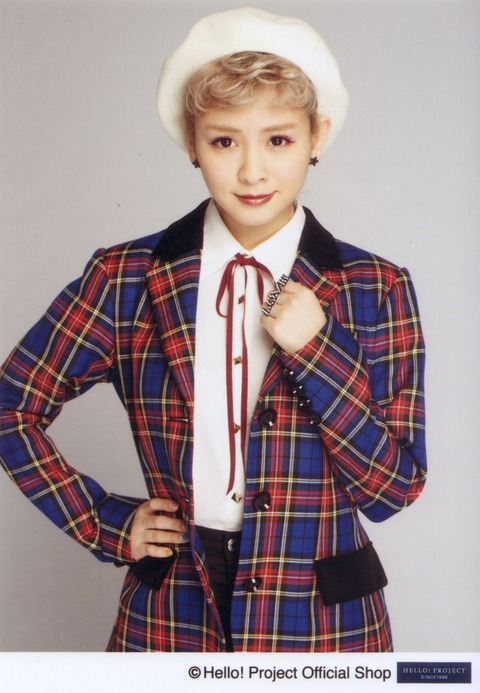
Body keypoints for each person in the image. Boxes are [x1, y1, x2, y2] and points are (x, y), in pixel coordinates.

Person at [0, 7, 426, 652]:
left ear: (318, 136)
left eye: (278, 140)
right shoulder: (126, 277)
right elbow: (12, 408)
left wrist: (317, 351)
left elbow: (393, 490)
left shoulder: (376, 287)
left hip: (323, 618)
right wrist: (105, 522)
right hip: (172, 604)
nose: (252, 171)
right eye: (225, 142)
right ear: (192, 144)